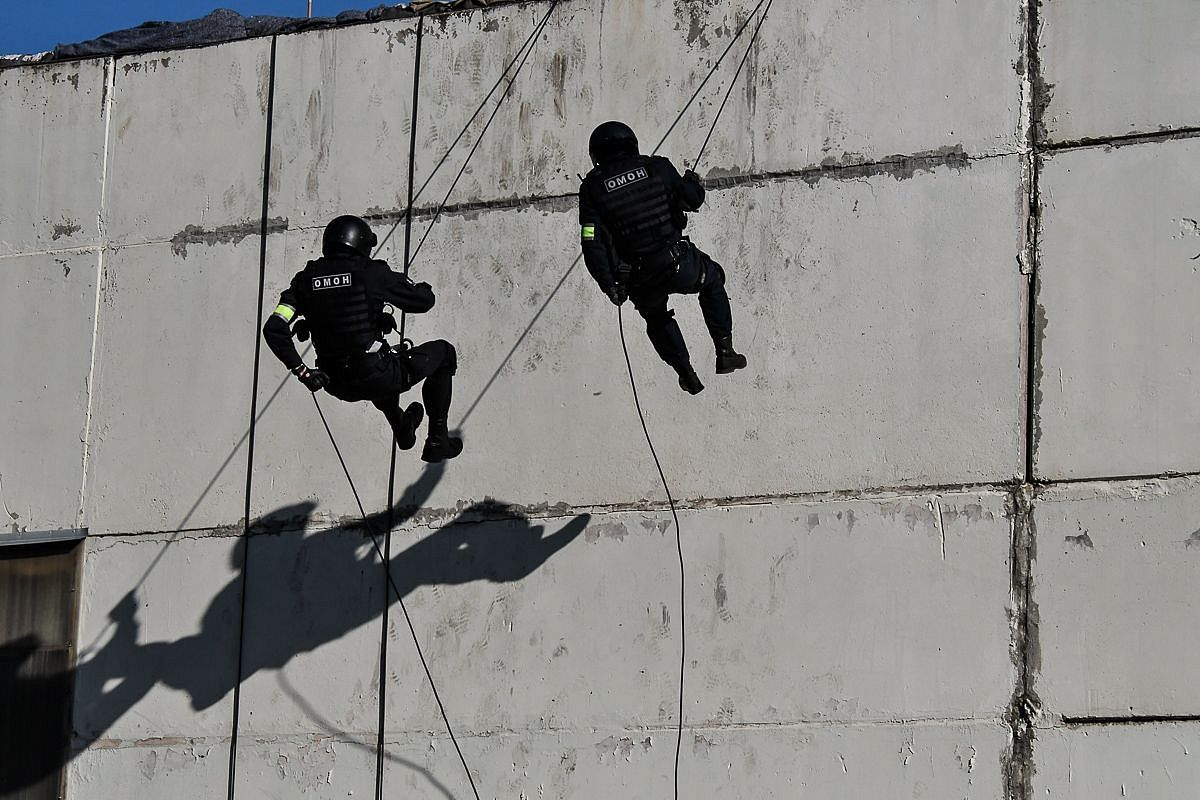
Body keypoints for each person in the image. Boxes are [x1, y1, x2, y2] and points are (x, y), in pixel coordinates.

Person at [262, 215, 462, 462]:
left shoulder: (305, 281)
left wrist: (303, 372)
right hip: (377, 375)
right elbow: (423, 302)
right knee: (444, 353)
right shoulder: (371, 273)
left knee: (379, 376)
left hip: (335, 384)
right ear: (361, 245)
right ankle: (438, 440)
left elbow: (274, 328)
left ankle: (402, 427)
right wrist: (421, 287)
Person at [578, 120, 747, 394]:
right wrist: (692, 183)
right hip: (677, 262)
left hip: (638, 277)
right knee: (712, 279)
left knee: (656, 318)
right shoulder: (657, 167)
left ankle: (685, 372)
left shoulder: (592, 188)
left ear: (596, 154)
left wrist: (608, 284)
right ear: (631, 143)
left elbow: (590, 241)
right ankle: (725, 351)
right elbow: (693, 200)